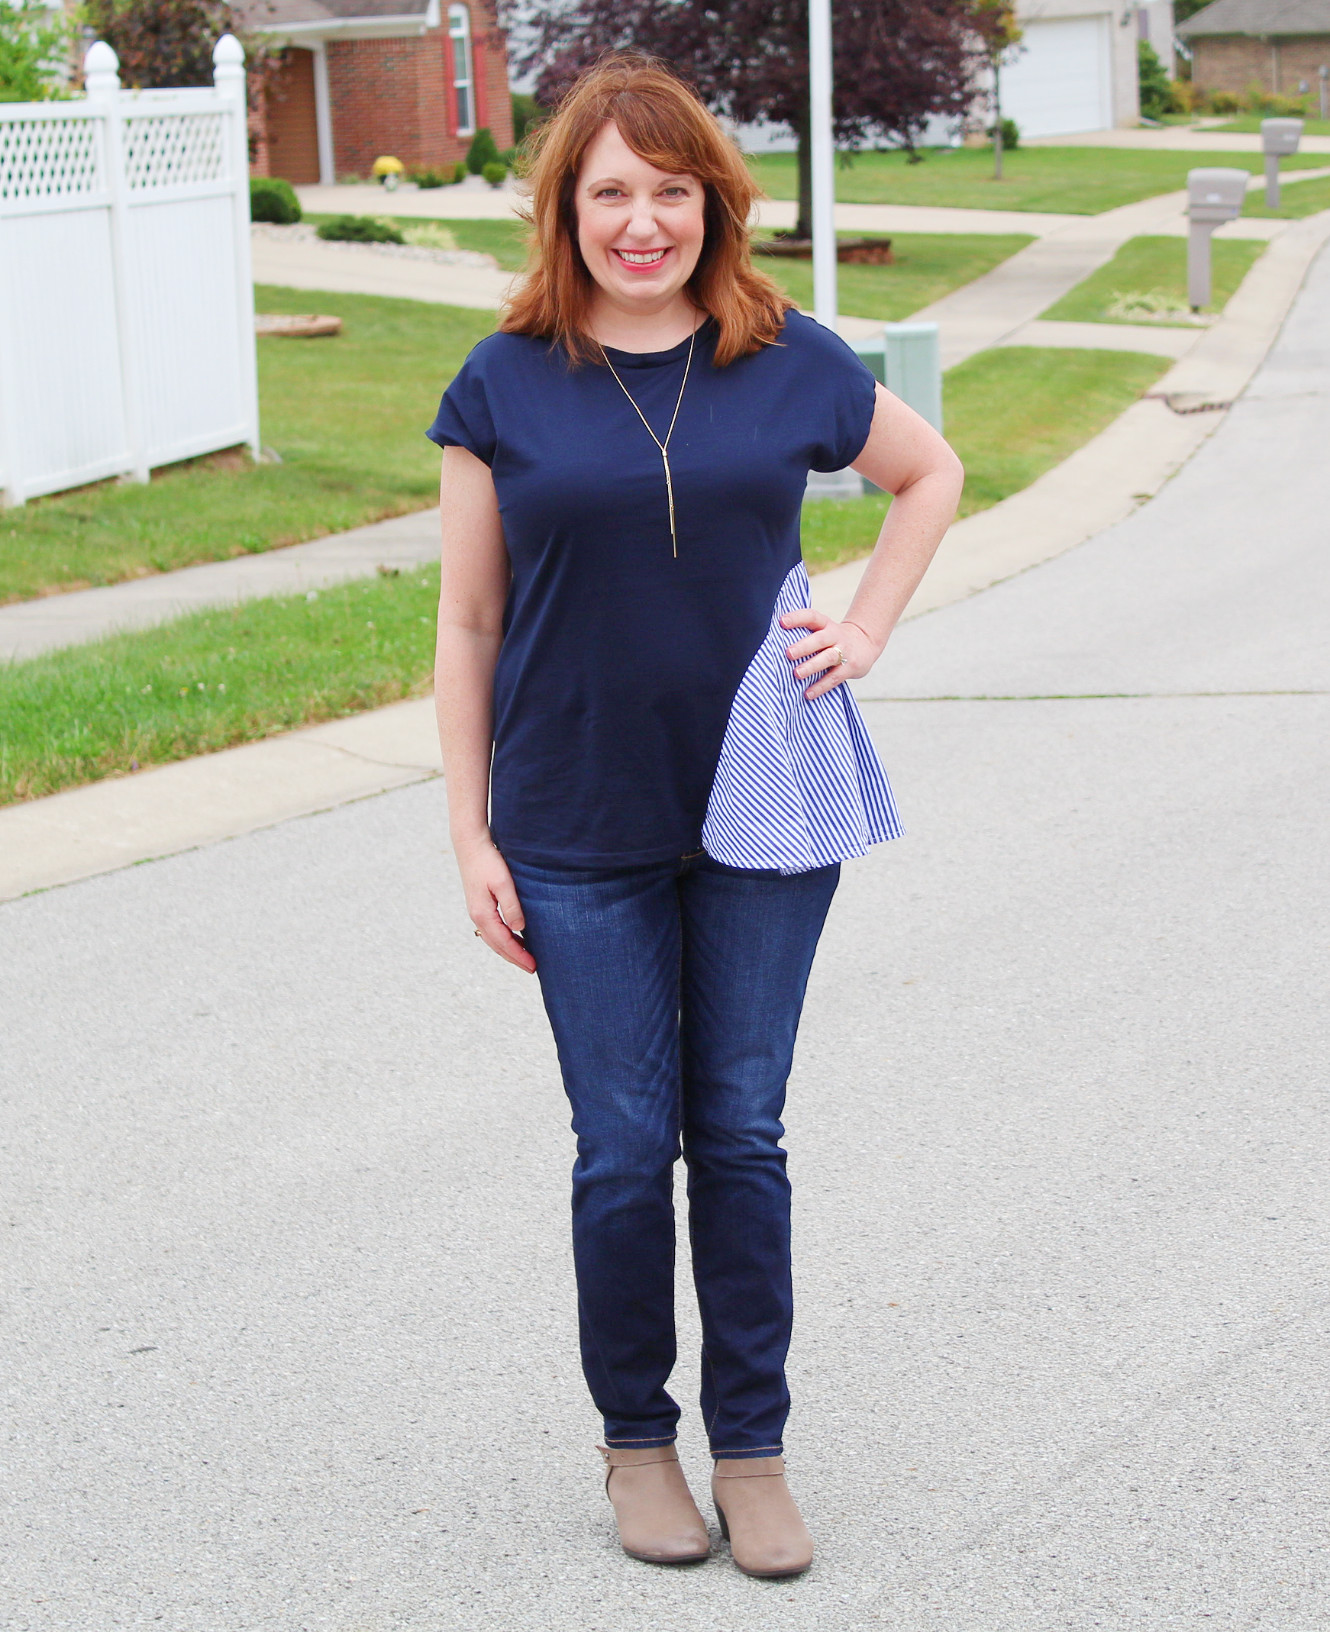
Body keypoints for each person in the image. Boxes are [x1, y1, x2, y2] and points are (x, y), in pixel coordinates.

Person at [427, 52, 963, 1579]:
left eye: (670, 191)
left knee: (738, 1133)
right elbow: (469, 625)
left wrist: (861, 628)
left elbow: (927, 475)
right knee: (617, 1148)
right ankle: (635, 1447)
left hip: (763, 803)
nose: (641, 220)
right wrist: (469, 834)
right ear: (568, 211)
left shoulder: (786, 356)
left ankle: (752, 1446)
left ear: (712, 204)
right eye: (610, 194)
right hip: (572, 810)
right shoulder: (501, 382)